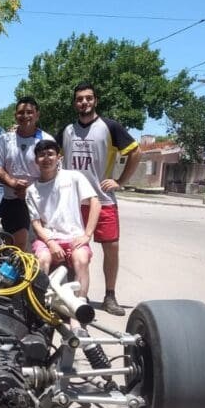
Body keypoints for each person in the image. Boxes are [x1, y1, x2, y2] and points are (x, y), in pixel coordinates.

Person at [55, 82, 139, 316]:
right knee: (72, 250)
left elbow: (136, 152)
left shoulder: (109, 127)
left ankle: (110, 296)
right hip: (73, 202)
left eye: (88, 98)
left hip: (103, 200)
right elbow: (49, 152)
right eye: (80, 99)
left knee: (111, 248)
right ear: (75, 103)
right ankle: (71, 294)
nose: (84, 102)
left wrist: (120, 181)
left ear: (95, 101)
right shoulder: (67, 130)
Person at [26, 139, 99, 300]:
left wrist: (87, 234)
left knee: (81, 260)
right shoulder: (32, 190)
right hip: (48, 238)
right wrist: (51, 243)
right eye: (41, 155)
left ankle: (78, 311)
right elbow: (36, 223)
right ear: (36, 160)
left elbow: (95, 202)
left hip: (74, 237)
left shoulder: (73, 177)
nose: (46, 158)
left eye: (50, 154)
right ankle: (40, 307)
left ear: (59, 157)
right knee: (42, 260)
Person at [0, 96, 53, 251]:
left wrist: (30, 190)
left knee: (38, 249)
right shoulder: (5, 139)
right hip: (10, 202)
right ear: (15, 115)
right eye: (21, 112)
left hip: (40, 203)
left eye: (30, 112)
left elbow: (53, 173)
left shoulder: (47, 140)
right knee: (9, 249)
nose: (25, 116)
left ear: (37, 114)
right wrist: (12, 182)